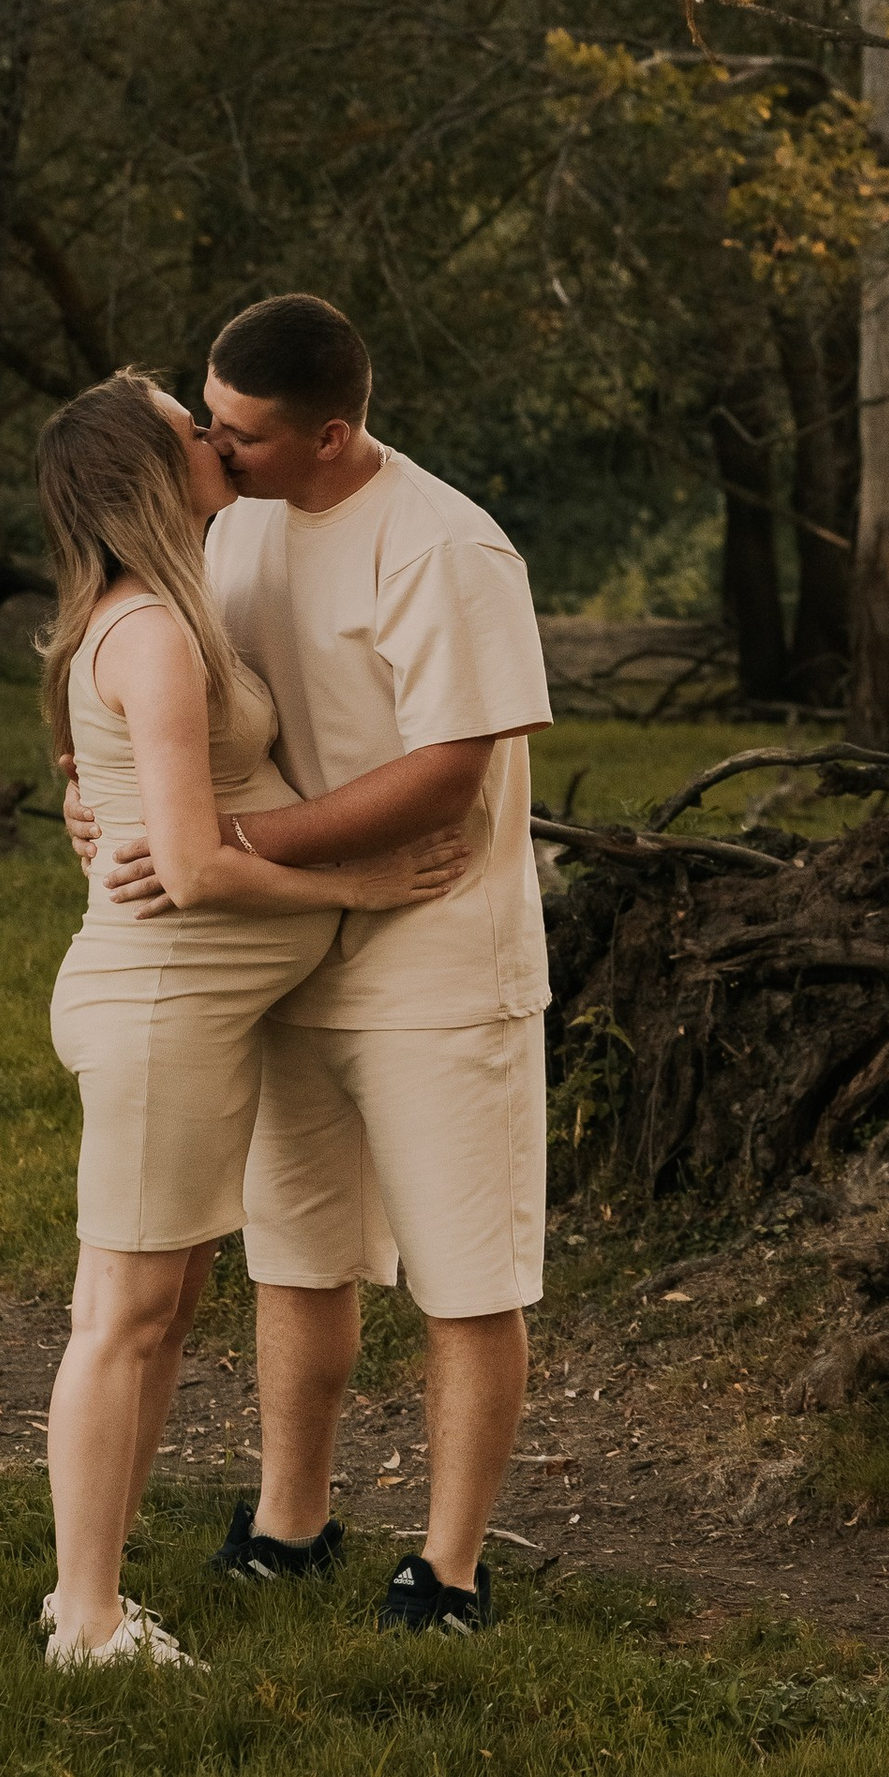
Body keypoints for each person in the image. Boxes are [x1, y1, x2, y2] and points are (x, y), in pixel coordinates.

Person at [73, 294, 553, 1638]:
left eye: (237, 435)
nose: (212, 455)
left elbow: (452, 770)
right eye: (204, 424)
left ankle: (449, 1572)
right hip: (280, 955)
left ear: (331, 433)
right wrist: (109, 809)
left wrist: (222, 843)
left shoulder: (448, 547)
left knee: (467, 1277)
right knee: (299, 1254)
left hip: (439, 954)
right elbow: (167, 712)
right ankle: (291, 1525)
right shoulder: (232, 533)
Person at [35, 370, 459, 1669]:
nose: (212, 439)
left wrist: (99, 817)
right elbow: (203, 867)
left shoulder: (160, 613)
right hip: (163, 1010)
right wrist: (363, 882)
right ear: (147, 476)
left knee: (156, 1309)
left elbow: (111, 795)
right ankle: (89, 1618)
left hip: (185, 1011)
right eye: (186, 429)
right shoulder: (154, 634)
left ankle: (89, 1599)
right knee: (124, 1313)